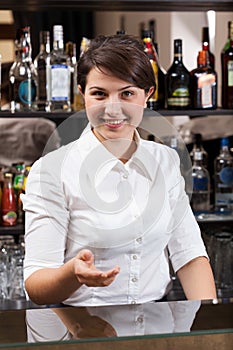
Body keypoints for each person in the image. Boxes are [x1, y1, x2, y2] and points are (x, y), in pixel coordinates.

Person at [22, 34, 216, 306]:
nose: (113, 109)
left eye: (127, 93)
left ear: (147, 95)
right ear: (82, 95)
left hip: (158, 325)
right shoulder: (51, 171)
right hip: (82, 330)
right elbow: (36, 285)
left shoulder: (166, 160)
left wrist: (208, 328)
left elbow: (190, 256)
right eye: (99, 94)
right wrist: (72, 274)